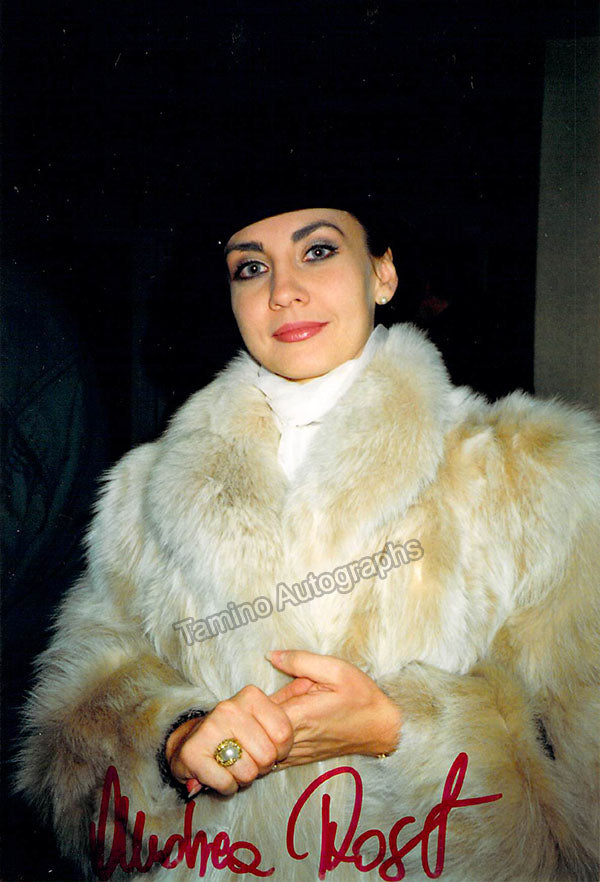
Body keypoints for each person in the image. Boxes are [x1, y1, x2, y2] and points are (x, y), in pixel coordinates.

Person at [17, 200, 600, 882]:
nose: (282, 289)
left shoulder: (534, 474)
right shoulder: (143, 494)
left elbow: (585, 807)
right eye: (250, 267)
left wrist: (404, 731)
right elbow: (67, 746)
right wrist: (176, 743)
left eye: (317, 251)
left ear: (382, 274)